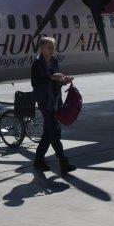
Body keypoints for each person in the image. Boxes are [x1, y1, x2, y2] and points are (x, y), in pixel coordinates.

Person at [30, 36, 76, 173]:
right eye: (49, 47)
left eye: (53, 47)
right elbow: (35, 83)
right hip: (44, 101)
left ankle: (38, 159)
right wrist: (50, 78)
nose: (52, 50)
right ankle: (63, 161)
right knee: (54, 132)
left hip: (55, 100)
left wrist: (64, 80)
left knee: (49, 132)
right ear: (42, 48)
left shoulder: (54, 60)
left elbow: (57, 78)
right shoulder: (37, 63)